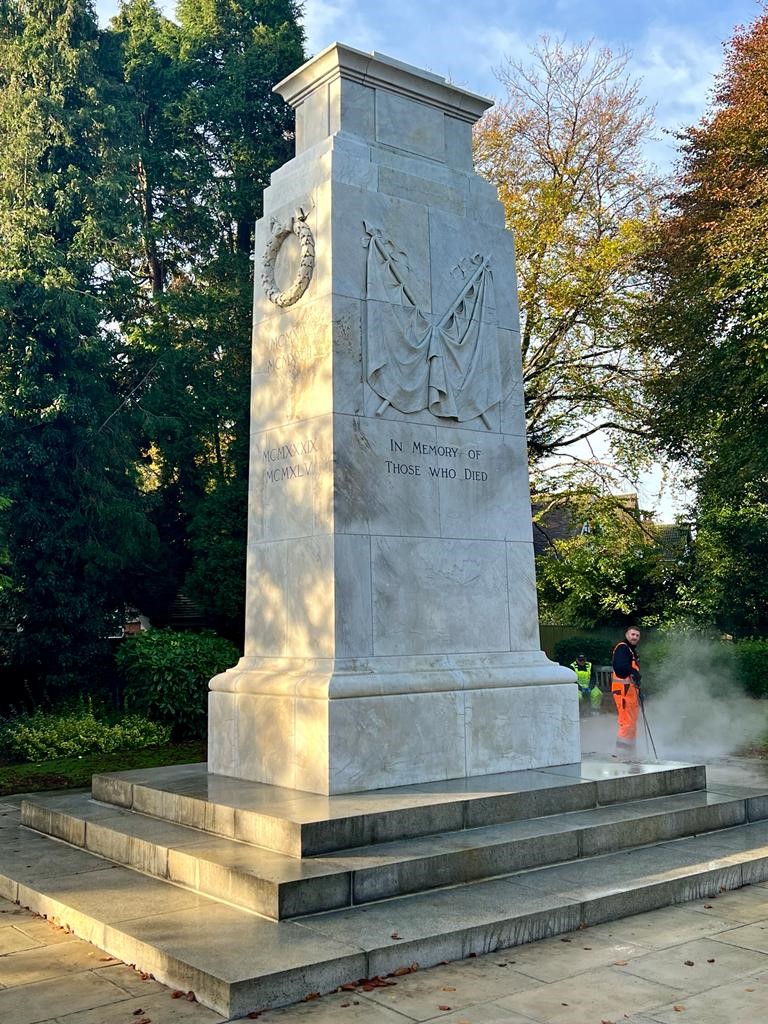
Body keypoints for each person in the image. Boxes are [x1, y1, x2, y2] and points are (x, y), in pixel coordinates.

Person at [611, 626, 642, 752]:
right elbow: (620, 667)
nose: (634, 637)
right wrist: (633, 671)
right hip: (623, 691)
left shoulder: (630, 650)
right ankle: (621, 754)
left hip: (630, 692)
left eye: (637, 635)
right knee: (627, 722)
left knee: (632, 722)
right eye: (632, 634)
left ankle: (630, 751)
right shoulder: (622, 648)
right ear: (627, 635)